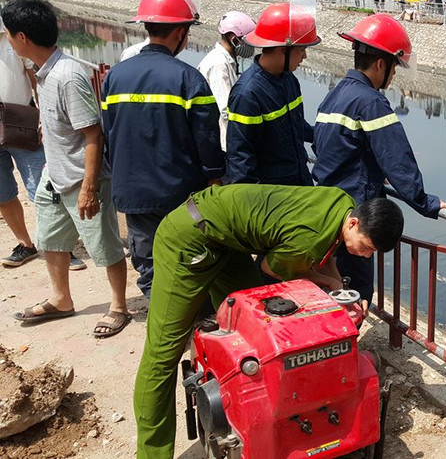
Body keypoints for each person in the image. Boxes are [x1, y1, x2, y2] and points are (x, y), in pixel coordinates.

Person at [132, 185, 404, 458]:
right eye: (367, 247)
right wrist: (330, 285)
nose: (366, 256)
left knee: (256, 330)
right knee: (163, 353)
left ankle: (250, 423)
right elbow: (272, 268)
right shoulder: (309, 236)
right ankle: (152, 453)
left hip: (226, 241)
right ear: (354, 223)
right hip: (190, 236)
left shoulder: (343, 204)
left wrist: (336, 287)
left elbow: (325, 253)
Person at [4, 0, 130, 337]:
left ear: (23, 38)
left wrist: (89, 188)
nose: (8, 41)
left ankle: (118, 306)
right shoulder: (43, 72)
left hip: (81, 178)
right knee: (50, 239)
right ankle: (61, 299)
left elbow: (94, 135)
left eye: (9, 35)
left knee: (103, 244)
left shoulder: (68, 76)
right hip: (54, 175)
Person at [100, 0, 224, 299]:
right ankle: (188, 327)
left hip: (132, 190)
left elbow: (109, 133)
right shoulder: (189, 79)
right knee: (186, 258)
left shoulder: (115, 76)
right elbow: (207, 140)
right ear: (182, 32)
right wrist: (215, 182)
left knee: (150, 264)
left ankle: (162, 331)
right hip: (177, 191)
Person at [313, 13, 446, 312]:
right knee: (356, 292)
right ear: (381, 64)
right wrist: (426, 202)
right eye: (394, 68)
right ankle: (346, 352)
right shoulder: (371, 102)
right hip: (358, 208)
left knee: (330, 286)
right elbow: (397, 158)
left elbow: (334, 145)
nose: (394, 76)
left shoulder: (336, 94)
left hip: (328, 205)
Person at [225, 2, 317, 185]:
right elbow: (240, 158)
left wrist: (328, 136)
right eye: (301, 50)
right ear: (282, 49)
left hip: (299, 182)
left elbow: (297, 125)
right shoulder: (248, 94)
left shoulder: (289, 80)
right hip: (272, 196)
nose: (304, 57)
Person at [0, 11, 46, 268]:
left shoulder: (12, 41)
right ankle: (26, 244)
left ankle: (60, 246)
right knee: (2, 193)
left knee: (42, 188)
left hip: (21, 123)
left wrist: (43, 119)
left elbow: (35, 80)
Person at [197, 11, 256, 151]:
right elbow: (226, 110)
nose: (251, 46)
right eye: (247, 41)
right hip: (222, 145)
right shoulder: (218, 65)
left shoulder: (228, 61)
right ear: (234, 39)